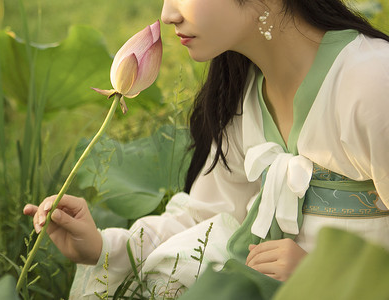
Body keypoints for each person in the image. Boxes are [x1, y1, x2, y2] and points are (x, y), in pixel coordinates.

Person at [24, 0, 389, 297]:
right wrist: (103, 248)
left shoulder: (371, 82)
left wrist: (322, 275)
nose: (168, 14)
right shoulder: (243, 94)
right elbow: (207, 218)